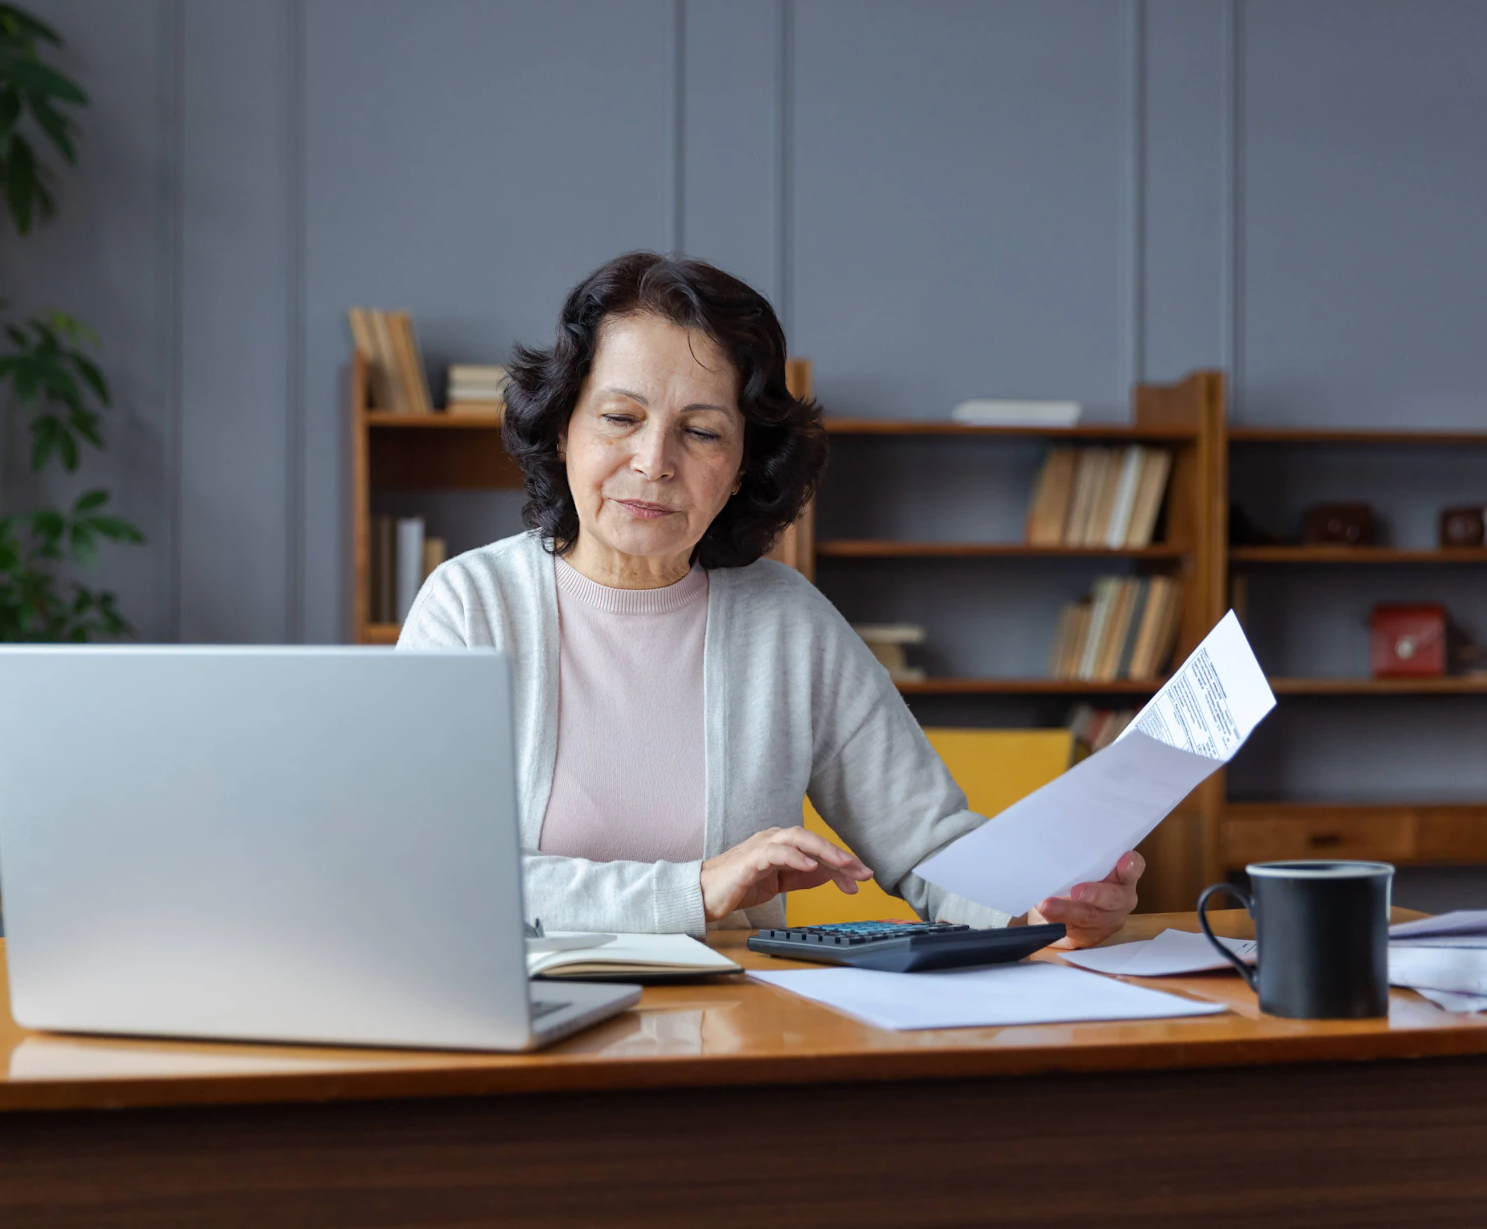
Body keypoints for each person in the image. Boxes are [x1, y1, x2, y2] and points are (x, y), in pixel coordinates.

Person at [399, 252, 1142, 947]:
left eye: (701, 431)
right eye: (621, 418)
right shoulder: (471, 606)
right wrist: (694, 889)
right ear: (564, 429)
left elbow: (928, 846)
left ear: (742, 467)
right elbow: (431, 873)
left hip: (735, 1027)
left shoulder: (786, 620)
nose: (654, 462)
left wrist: (1040, 903)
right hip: (522, 1020)